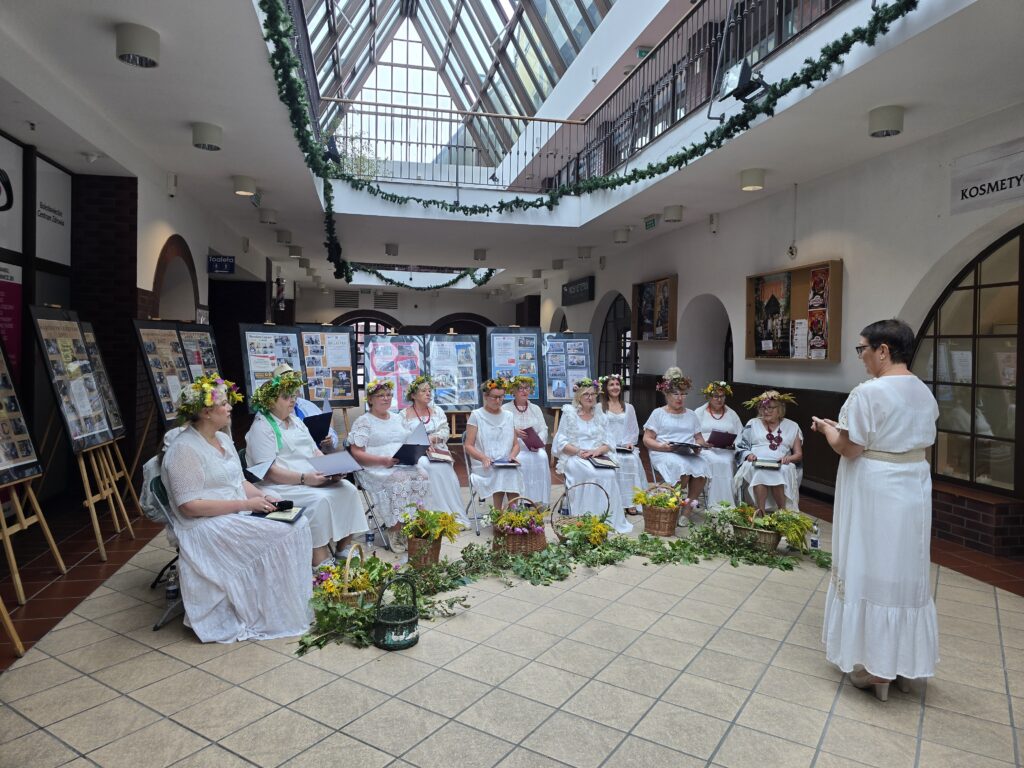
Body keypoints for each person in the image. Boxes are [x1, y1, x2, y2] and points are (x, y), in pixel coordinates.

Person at [812, 319, 939, 700]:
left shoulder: (869, 392)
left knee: (869, 562)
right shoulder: (923, 391)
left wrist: (827, 430)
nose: (862, 357)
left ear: (883, 350)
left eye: (863, 349)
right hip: (913, 484)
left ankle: (874, 667)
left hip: (876, 487)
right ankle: (902, 661)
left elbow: (851, 447)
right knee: (904, 568)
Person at [160, 374, 312, 643]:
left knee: (297, 522)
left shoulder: (222, 438)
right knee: (283, 532)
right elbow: (189, 507)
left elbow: (239, 482)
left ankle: (280, 600)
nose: (230, 407)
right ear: (206, 412)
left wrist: (264, 496)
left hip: (235, 510)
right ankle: (264, 607)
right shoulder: (184, 449)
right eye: (224, 404)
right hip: (204, 524)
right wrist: (246, 504)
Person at [245, 364, 367, 567]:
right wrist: (305, 479)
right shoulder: (261, 427)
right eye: (286, 397)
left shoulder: (295, 421)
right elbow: (269, 472)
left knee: (348, 489)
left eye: (293, 395)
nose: (293, 400)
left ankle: (343, 548)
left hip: (310, 477)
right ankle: (319, 558)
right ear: (270, 401)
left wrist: (331, 468)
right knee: (320, 501)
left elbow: (314, 451)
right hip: (282, 485)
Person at [348, 379, 430, 548]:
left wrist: (417, 448)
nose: (386, 398)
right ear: (370, 399)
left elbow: (408, 439)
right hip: (374, 466)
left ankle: (413, 525)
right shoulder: (364, 421)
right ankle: (395, 529)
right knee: (400, 479)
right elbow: (356, 453)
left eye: (388, 395)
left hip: (400, 463)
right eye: (381, 395)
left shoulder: (397, 418)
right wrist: (382, 461)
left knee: (422, 475)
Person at [553, 378, 632, 534]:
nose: (590, 397)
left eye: (592, 394)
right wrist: (578, 451)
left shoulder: (600, 415)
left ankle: (607, 520)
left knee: (609, 474)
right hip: (576, 456)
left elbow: (609, 441)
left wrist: (597, 451)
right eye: (586, 394)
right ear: (579, 396)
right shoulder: (569, 414)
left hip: (597, 455)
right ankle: (586, 518)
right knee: (591, 473)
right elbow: (561, 443)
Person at [401, 374, 467, 525]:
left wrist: (433, 438)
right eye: (423, 391)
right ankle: (430, 514)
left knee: (445, 468)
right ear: (413, 395)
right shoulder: (404, 415)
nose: (428, 393)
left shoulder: (437, 411)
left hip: (437, 451)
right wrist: (420, 441)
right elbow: (401, 436)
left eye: (429, 391)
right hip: (416, 454)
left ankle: (450, 514)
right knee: (425, 465)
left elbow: (445, 431)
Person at [642, 368, 710, 506]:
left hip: (687, 453)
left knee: (702, 465)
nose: (680, 398)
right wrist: (662, 447)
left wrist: (699, 446)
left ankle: (687, 509)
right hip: (663, 452)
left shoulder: (691, 415)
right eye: (676, 394)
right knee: (680, 466)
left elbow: (699, 438)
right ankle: (673, 504)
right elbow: (647, 439)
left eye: (683, 394)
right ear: (667, 394)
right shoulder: (658, 413)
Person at [733, 390, 803, 512]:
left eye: (770, 408)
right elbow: (741, 445)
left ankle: (782, 512)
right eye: (763, 408)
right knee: (759, 471)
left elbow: (798, 455)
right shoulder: (752, 423)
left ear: (780, 409)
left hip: (781, 463)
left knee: (779, 470)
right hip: (756, 461)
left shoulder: (792, 426)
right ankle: (761, 512)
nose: (766, 411)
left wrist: (788, 458)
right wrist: (748, 454)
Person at [464, 377, 524, 508]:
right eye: (494, 397)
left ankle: (513, 514)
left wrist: (512, 456)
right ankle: (498, 514)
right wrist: (483, 458)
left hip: (504, 462)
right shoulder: (476, 415)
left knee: (512, 471)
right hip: (484, 464)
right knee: (500, 472)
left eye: (501, 397)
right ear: (486, 396)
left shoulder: (508, 416)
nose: (498, 401)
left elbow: (516, 445)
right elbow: (468, 445)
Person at [693, 381, 744, 507]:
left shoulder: (732, 414)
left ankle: (727, 502)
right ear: (709, 397)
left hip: (727, 450)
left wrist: (733, 445)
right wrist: (702, 443)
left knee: (727, 462)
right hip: (706, 450)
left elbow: (741, 435)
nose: (719, 399)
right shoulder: (699, 412)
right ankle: (715, 503)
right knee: (715, 461)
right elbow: (691, 433)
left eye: (722, 396)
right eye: (716, 396)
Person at [599, 374, 644, 516]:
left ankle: (631, 502)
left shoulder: (629, 407)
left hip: (624, 445)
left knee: (631, 460)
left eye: (617, 384)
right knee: (614, 460)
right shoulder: (599, 407)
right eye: (611, 385)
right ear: (606, 388)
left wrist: (630, 443)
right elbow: (598, 429)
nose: (615, 387)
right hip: (606, 446)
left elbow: (633, 429)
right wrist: (604, 445)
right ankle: (616, 502)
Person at [502, 376, 551, 505]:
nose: (524, 391)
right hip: (515, 449)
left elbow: (544, 428)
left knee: (542, 457)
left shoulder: (535, 408)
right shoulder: (505, 409)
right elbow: (500, 430)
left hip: (533, 448)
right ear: (513, 391)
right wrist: (514, 432)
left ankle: (538, 500)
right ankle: (520, 500)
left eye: (527, 388)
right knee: (521, 460)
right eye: (520, 388)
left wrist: (538, 442)